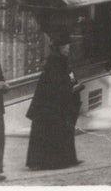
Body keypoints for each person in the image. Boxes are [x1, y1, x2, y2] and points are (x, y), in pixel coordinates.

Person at [25, 38, 84, 170]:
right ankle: (51, 161)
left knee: (60, 130)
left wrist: (74, 86)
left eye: (68, 45)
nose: (68, 47)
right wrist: (71, 88)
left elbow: (67, 78)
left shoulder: (61, 61)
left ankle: (64, 159)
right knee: (52, 130)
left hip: (56, 104)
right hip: (50, 106)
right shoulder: (55, 62)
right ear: (59, 47)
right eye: (65, 45)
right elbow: (56, 84)